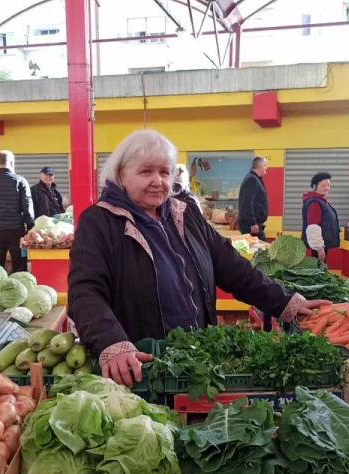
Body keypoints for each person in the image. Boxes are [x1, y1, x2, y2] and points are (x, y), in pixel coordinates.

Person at [68, 130, 328, 386]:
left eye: (164, 172)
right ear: (121, 174)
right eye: (145, 172)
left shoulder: (185, 214)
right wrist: (111, 342)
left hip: (196, 360)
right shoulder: (99, 222)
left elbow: (232, 266)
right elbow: (85, 291)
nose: (158, 181)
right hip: (140, 366)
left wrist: (284, 302)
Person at [301, 172, 340, 263]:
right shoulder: (315, 203)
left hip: (322, 244)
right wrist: (319, 248)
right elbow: (313, 226)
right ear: (315, 186)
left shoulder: (321, 201)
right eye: (323, 185)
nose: (327, 188)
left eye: (328, 185)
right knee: (317, 268)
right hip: (318, 247)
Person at [237, 156, 268, 241]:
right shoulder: (252, 179)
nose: (266, 167)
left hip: (254, 223)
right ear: (260, 166)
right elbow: (247, 203)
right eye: (265, 165)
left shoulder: (255, 179)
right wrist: (253, 223)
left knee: (258, 247)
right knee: (263, 247)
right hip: (250, 225)